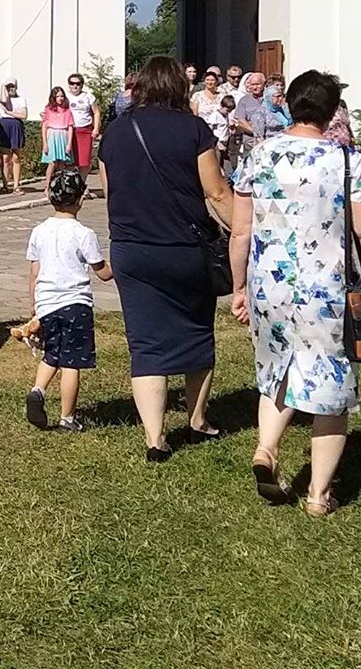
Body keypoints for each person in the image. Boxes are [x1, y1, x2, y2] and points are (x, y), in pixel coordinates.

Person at [230, 70, 361, 517]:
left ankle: (267, 448)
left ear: (291, 103)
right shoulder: (343, 161)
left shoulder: (259, 156)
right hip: (325, 289)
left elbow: (241, 230)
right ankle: (319, 495)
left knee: (277, 369)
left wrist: (238, 287)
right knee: (331, 388)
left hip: (270, 286)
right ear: (332, 109)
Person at [97, 55, 235, 463]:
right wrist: (246, 232)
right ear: (179, 86)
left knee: (145, 343)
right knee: (197, 331)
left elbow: (110, 194)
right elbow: (216, 194)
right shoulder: (194, 129)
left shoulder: (116, 133)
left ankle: (155, 438)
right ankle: (196, 420)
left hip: (131, 250)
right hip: (184, 249)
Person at [9, 168, 110, 432]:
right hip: (75, 304)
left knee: (51, 353)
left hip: (46, 304)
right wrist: (120, 266)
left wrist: (34, 305)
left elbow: (34, 271)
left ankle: (38, 390)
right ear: (81, 199)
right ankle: (67, 418)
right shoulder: (83, 233)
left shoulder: (39, 231)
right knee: (71, 363)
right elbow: (102, 271)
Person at [230, 71, 275, 166]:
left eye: (257, 84)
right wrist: (257, 132)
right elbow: (241, 121)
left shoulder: (273, 98)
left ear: (264, 84)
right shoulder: (244, 100)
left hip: (271, 141)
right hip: (251, 142)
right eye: (252, 85)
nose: (254, 87)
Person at [0, 82, 29, 193]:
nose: (11, 89)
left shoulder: (21, 99)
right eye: (8, 87)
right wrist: (3, 86)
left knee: (16, 156)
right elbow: (4, 101)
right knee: (5, 157)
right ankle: (5, 186)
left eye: (13, 86)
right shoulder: (3, 98)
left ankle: (16, 185)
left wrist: (9, 112)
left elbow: (24, 115)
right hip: (5, 125)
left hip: (16, 125)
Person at [66, 72, 102, 171]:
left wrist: (96, 129)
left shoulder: (88, 96)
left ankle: (81, 183)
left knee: (84, 161)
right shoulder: (65, 96)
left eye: (78, 84)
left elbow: (96, 112)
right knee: (69, 159)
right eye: (72, 83)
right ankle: (70, 182)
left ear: (82, 84)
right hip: (68, 131)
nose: (75, 86)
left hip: (85, 130)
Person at [38, 87, 75, 178]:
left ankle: (60, 186)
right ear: (53, 97)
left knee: (62, 163)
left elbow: (70, 127)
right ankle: (47, 186)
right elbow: (44, 126)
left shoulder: (67, 111)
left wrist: (69, 144)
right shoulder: (48, 109)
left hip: (63, 136)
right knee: (52, 163)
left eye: (62, 96)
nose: (60, 98)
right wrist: (45, 143)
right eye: (58, 96)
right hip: (52, 137)